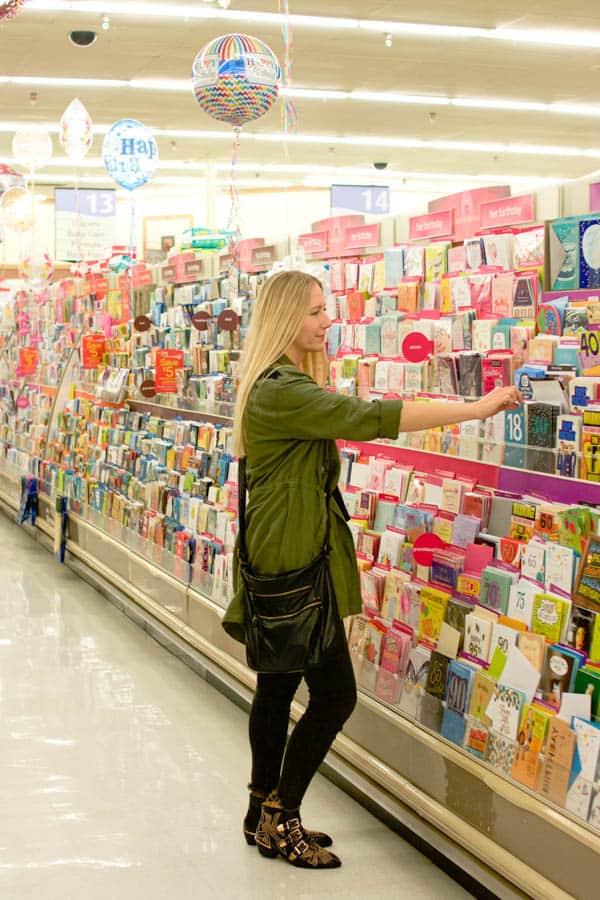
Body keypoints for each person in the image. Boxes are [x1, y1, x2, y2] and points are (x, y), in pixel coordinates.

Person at [222, 270, 522, 870]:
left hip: (279, 554)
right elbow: (372, 416)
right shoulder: (283, 390)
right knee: (334, 696)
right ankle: (283, 818)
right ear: (285, 319)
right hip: (299, 564)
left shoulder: (273, 384)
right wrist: (476, 407)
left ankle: (262, 809)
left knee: (278, 687)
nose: (325, 321)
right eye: (314, 312)